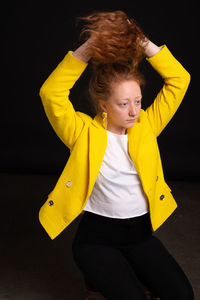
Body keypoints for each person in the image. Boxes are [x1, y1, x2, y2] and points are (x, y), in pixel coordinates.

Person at [39, 10, 194, 300]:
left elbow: (179, 79)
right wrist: (89, 47)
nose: (134, 111)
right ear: (103, 105)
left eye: (137, 100)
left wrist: (143, 42)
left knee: (182, 295)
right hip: (96, 242)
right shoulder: (81, 132)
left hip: (140, 238)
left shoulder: (147, 125)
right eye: (124, 103)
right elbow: (51, 93)